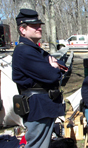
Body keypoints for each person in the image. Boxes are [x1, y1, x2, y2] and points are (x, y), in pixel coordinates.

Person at [12, 8, 67, 148]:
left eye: (39, 25)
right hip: (37, 108)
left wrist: (55, 67)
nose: (39, 28)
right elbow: (53, 75)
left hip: (45, 106)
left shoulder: (35, 49)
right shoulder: (24, 51)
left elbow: (63, 66)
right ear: (22, 30)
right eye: (34, 26)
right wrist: (54, 68)